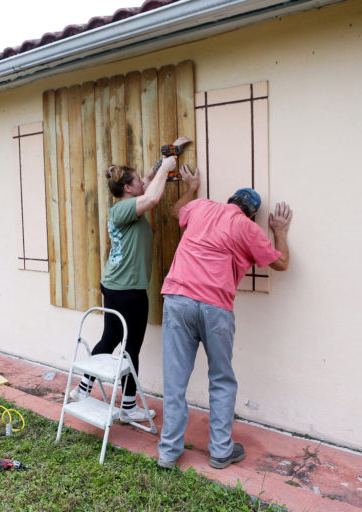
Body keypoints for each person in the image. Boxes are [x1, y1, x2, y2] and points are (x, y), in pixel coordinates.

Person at [156, 164, 293, 469]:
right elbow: (281, 263)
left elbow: (176, 211)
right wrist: (280, 232)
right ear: (252, 214)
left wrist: (191, 188)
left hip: (178, 299)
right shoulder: (248, 228)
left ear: (229, 200)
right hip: (215, 307)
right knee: (221, 378)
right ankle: (220, 452)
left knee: (175, 380)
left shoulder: (202, 207)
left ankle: (168, 453)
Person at [70, 137, 192, 423]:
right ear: (127, 188)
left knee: (110, 338)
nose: (142, 181)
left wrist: (167, 155)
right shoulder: (124, 208)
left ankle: (83, 388)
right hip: (128, 290)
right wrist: (169, 166)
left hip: (115, 285)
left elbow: (149, 182)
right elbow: (152, 196)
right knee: (131, 347)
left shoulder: (126, 204)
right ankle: (128, 407)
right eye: (136, 180)